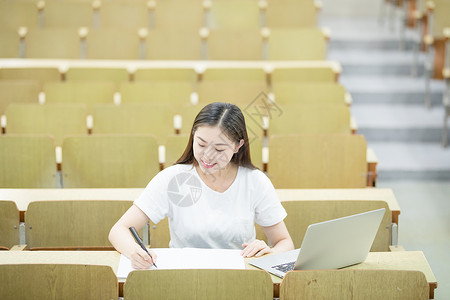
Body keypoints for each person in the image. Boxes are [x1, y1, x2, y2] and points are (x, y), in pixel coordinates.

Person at [109, 102, 294, 269]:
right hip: (183, 279)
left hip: (238, 282)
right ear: (193, 136)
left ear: (238, 146)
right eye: (201, 144)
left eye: (219, 149)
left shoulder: (255, 182)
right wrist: (134, 251)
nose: (207, 155)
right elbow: (119, 230)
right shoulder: (174, 179)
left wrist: (269, 252)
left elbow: (285, 242)